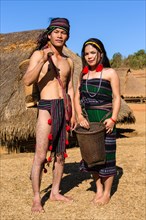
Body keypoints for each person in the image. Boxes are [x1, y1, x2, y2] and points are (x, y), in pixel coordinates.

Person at [23, 17, 76, 212]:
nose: (60, 35)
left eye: (64, 32)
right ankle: (37, 198)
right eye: (57, 32)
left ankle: (54, 192)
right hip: (46, 106)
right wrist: (42, 62)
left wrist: (74, 113)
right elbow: (28, 80)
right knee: (40, 155)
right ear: (50, 34)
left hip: (64, 107)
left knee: (60, 155)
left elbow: (70, 89)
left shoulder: (69, 61)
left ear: (67, 36)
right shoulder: (38, 55)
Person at [74, 38, 121, 205]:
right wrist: (79, 116)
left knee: (107, 156)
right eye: (86, 53)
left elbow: (116, 97)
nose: (89, 56)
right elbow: (76, 96)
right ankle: (98, 189)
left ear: (100, 54)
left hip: (105, 120)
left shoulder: (110, 73)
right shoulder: (83, 74)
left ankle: (107, 192)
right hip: (88, 120)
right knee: (91, 156)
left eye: (93, 52)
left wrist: (113, 118)